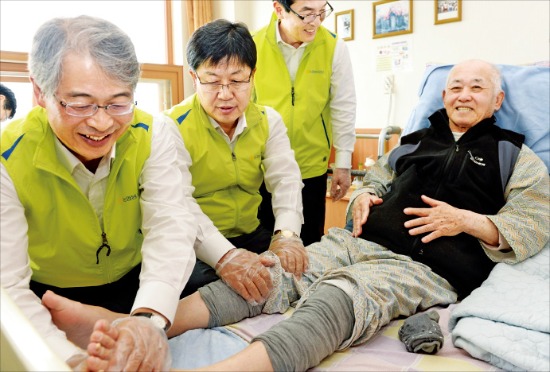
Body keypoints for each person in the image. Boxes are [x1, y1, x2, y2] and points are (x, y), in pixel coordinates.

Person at [50, 59, 549, 371]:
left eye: (477, 88)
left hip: (423, 265)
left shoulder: (514, 155)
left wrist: (470, 221)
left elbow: (536, 221)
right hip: (357, 241)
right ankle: (128, 325)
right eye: (456, 86)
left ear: (498, 100)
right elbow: (376, 180)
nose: (463, 94)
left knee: (340, 295)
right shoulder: (413, 143)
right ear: (443, 95)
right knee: (271, 273)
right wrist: (361, 195)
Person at [0, 15, 200, 369]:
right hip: (51, 297)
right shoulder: (7, 156)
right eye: (80, 104)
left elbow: (171, 225)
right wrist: (67, 360)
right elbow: (8, 284)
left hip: (140, 284)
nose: (102, 123)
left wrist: (149, 321)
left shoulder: (153, 134)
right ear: (39, 92)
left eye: (118, 103)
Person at [164, 19, 307, 297]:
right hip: (194, 242)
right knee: (216, 293)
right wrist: (226, 257)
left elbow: (286, 181)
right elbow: (180, 204)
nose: (226, 95)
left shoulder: (268, 121)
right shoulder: (171, 126)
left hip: (251, 234)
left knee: (295, 274)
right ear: (194, 78)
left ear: (252, 76)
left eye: (237, 80)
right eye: (213, 81)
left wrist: (286, 236)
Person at [254, 0, 357, 246]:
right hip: (260, 169)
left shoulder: (333, 47)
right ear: (279, 9)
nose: (316, 22)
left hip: (310, 168)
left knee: (308, 248)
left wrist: (343, 163)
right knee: (262, 246)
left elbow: (344, 105)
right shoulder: (252, 45)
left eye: (321, 12)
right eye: (306, 14)